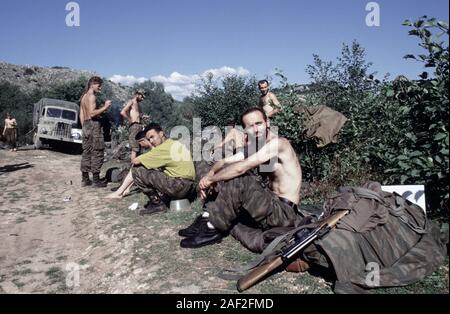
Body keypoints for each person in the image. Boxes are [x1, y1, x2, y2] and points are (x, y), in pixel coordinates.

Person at [179, 107, 303, 249]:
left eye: (259, 123)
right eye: (251, 126)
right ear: (245, 130)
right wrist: (208, 176)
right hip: (270, 202)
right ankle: (207, 216)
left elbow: (241, 168)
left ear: (267, 122)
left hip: (284, 213)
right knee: (226, 171)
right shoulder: (256, 145)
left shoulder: (279, 143)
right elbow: (224, 162)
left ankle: (212, 229)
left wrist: (211, 180)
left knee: (239, 177)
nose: (256, 129)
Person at [131, 123, 196, 216]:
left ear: (161, 134)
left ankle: (157, 204)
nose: (151, 141)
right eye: (149, 139)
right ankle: (165, 199)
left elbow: (135, 161)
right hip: (190, 187)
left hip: (179, 187)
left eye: (152, 137)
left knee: (137, 170)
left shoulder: (163, 148)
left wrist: (150, 147)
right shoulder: (174, 143)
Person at [79, 76, 112, 187]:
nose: (100, 88)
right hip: (93, 125)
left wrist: (85, 126)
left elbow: (81, 114)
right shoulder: (92, 96)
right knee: (97, 152)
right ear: (92, 84)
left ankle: (85, 179)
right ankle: (96, 181)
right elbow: (93, 113)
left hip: (86, 126)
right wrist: (105, 107)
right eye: (99, 85)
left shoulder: (83, 97)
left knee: (86, 153)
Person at [105, 130, 153, 199]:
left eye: (140, 143)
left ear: (143, 140)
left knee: (137, 167)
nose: (140, 145)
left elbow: (135, 161)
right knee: (137, 167)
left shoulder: (155, 149)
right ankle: (125, 190)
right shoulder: (152, 148)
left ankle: (119, 192)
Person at [120, 89, 147, 161]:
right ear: (137, 94)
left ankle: (137, 166)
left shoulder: (138, 104)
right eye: (142, 96)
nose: (142, 99)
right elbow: (123, 112)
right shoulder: (131, 102)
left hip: (139, 126)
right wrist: (130, 120)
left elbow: (138, 115)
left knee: (139, 147)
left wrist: (143, 117)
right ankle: (132, 167)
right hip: (134, 126)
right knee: (135, 149)